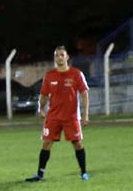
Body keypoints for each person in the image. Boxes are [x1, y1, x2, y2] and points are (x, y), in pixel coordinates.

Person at [25, 45, 90, 182]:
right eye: (56, 55)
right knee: (46, 143)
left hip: (71, 117)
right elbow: (44, 95)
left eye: (61, 55)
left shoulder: (76, 74)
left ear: (67, 57)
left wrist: (85, 115)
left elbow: (84, 94)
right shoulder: (49, 76)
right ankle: (40, 174)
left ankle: (84, 172)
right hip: (53, 116)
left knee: (77, 143)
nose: (59, 57)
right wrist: (41, 108)